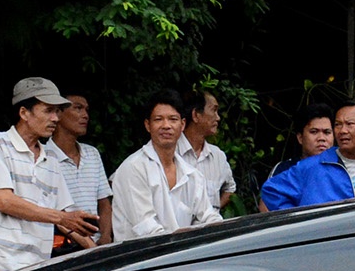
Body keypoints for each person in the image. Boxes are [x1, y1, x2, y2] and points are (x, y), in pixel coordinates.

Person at [0, 77, 96, 271]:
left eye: (57, 111)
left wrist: (99, 253)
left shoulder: (51, 160)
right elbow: (5, 201)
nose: (56, 118)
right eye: (48, 110)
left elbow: (66, 218)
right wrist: (62, 218)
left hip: (38, 268)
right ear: (24, 113)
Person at [111, 89, 224, 240]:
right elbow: (147, 229)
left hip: (180, 258)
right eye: (158, 119)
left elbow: (208, 218)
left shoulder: (191, 175)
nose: (166, 125)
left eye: (173, 119)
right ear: (147, 125)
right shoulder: (133, 168)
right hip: (139, 260)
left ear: (182, 125)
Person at [259, 98, 355, 211]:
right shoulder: (312, 166)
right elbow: (271, 191)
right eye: (338, 124)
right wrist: (300, 223)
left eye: (350, 124)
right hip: (328, 246)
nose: (342, 130)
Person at [48, 91, 114, 246]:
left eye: (86, 110)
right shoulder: (45, 155)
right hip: (63, 244)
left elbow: (104, 203)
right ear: (58, 113)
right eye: (78, 108)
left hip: (97, 244)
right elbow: (54, 212)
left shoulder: (92, 153)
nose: (85, 115)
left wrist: (105, 236)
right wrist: (89, 246)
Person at [258, 104, 334, 213]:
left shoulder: (342, 167)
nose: (321, 138)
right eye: (314, 132)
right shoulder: (284, 169)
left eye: (327, 132)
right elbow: (265, 206)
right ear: (300, 138)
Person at [179, 89, 236, 212]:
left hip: (211, 228)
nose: (218, 118)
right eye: (213, 110)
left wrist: (213, 211)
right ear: (196, 115)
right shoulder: (171, 153)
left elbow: (230, 188)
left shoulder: (218, 156)